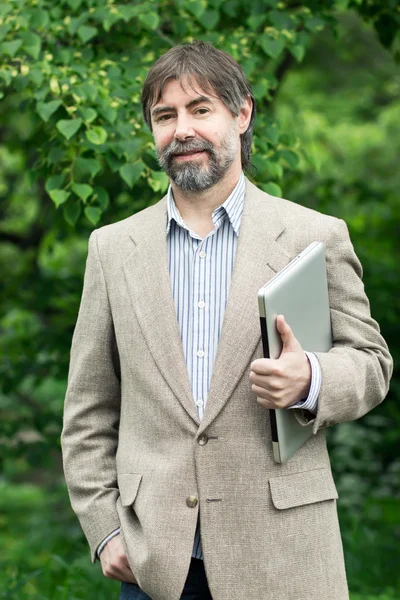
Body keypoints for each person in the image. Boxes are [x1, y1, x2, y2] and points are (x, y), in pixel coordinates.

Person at [61, 41, 392, 600]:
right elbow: (88, 408)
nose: (182, 129)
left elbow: (372, 364)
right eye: (164, 116)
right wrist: (104, 529)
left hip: (284, 552)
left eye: (201, 109)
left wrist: (310, 378)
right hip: (156, 563)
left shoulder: (314, 236)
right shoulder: (112, 248)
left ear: (241, 115)